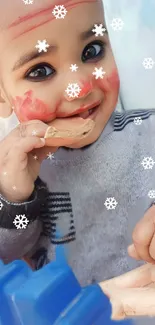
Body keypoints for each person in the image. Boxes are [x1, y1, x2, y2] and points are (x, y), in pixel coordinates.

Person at [1, 2, 155, 323]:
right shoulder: (14, 170)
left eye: (93, 50)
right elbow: (7, 257)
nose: (79, 85)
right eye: (40, 70)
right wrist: (13, 196)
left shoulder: (148, 134)